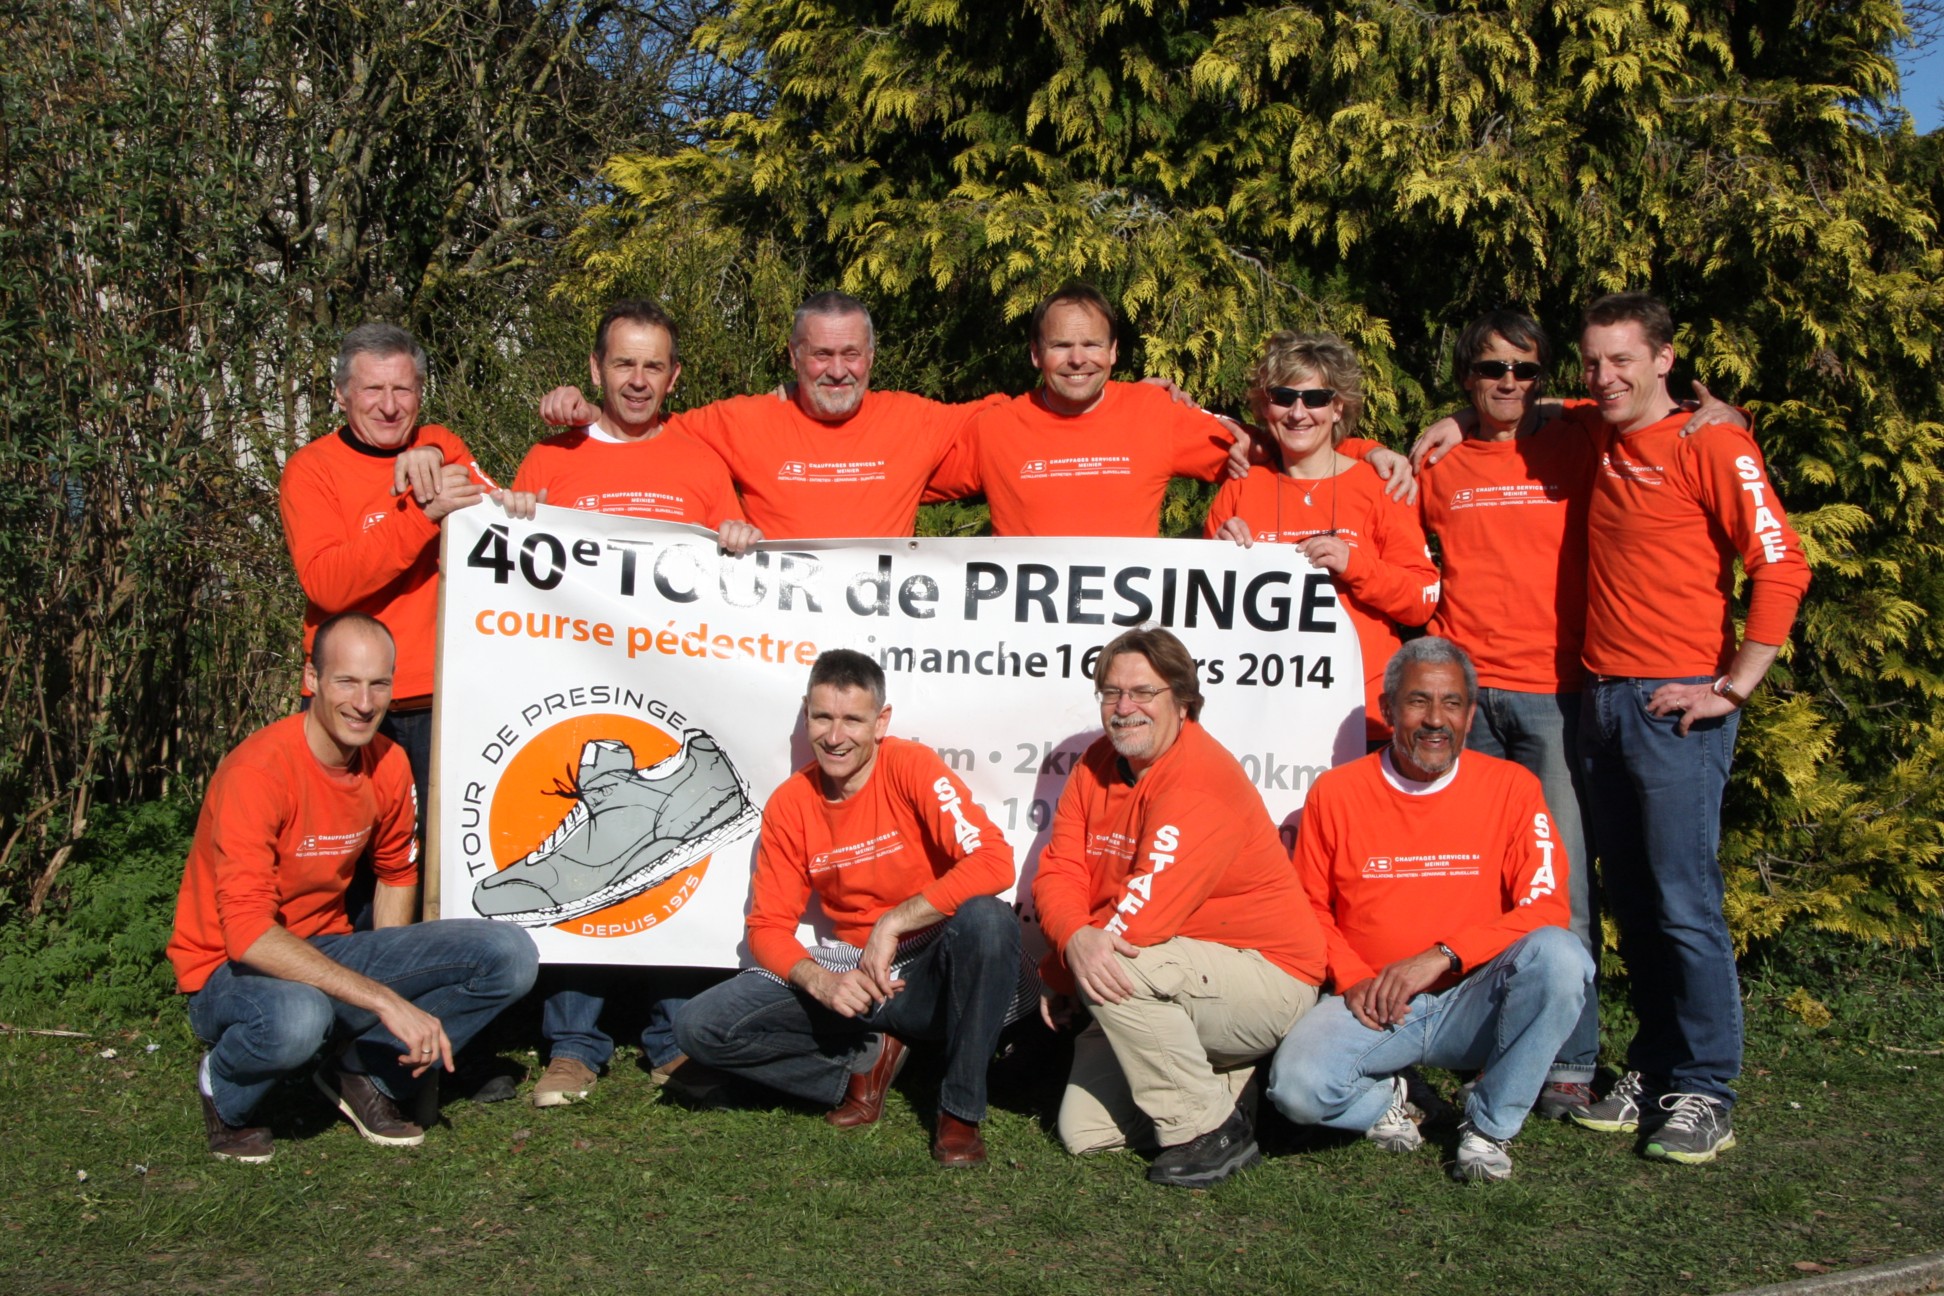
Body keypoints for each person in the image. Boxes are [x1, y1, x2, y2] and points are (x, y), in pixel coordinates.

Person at [1565, 293, 1809, 1164]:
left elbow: (1782, 563)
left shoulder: (1710, 441)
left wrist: (1736, 688)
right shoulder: (1599, 429)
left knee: (1684, 902)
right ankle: (1659, 1066)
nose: (1605, 377)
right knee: (1634, 900)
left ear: (1664, 359)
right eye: (1593, 361)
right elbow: (1527, 406)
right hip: (1602, 700)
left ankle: (1707, 1089)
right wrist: (1448, 423)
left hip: (1676, 708)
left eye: (1623, 360)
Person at [166, 613, 538, 1162]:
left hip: (327, 947)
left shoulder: (387, 762)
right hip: (229, 968)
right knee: (299, 1017)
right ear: (312, 680)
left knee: (509, 953)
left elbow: (395, 872)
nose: (364, 702)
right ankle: (225, 1091)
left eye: (379, 684)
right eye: (346, 681)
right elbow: (247, 934)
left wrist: (396, 991)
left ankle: (367, 1074)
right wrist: (386, 1001)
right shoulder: (259, 771)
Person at [507, 299, 757, 1107]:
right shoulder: (551, 457)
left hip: (673, 698)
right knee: (579, 861)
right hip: (572, 689)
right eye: (624, 364)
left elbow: (733, 563)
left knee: (668, 858)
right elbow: (507, 572)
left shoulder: (696, 460)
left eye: (654, 366)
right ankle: (574, 1046)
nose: (638, 380)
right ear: (595, 370)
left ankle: (672, 1037)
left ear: (674, 376)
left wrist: (741, 538)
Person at [673, 650, 1027, 1166]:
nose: (835, 737)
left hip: (930, 967)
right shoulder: (791, 803)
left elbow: (994, 862)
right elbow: (768, 927)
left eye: (853, 720)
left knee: (989, 921)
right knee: (698, 1026)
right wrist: (819, 980)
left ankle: (960, 1113)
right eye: (823, 717)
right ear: (806, 714)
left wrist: (894, 922)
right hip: (851, 974)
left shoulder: (912, 766)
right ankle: (861, 1066)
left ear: (881, 722)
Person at [1265, 637, 1591, 1182]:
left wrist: (1443, 956)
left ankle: (1488, 1128)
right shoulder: (1336, 792)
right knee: (1296, 1092)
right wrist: (1353, 980)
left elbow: (1546, 906)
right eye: (1418, 702)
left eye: (1452, 704)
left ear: (1470, 713)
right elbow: (1308, 906)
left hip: (1478, 998)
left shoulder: (1512, 787)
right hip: (1374, 1002)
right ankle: (1390, 1097)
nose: (1435, 720)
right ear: (1389, 709)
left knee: (1561, 957)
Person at [1033, 627, 1327, 1188]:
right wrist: (1071, 940)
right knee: (1086, 1133)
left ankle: (1208, 1131)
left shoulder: (1197, 777)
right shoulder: (1094, 763)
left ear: (1183, 700)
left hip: (1266, 975)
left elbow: (1142, 921)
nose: (1124, 708)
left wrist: (1065, 969)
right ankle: (1233, 1086)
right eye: (1111, 693)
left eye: (1143, 692)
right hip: (1180, 972)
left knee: (1113, 965)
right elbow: (1060, 869)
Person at [278, 324, 505, 843]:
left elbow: (501, 519)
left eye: (402, 389)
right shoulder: (311, 470)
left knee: (435, 863)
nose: (388, 405)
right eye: (372, 390)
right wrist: (418, 515)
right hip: (349, 706)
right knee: (337, 860)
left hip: (440, 702)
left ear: (421, 394)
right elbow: (327, 584)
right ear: (341, 396)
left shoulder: (444, 446)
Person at [540, 291, 1001, 539]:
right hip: (776, 649)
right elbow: (644, 428)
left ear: (872, 358)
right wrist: (591, 411)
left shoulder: (915, 420)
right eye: (820, 354)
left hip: (878, 642)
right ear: (793, 357)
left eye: (851, 354)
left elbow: (1011, 420)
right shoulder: (744, 421)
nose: (837, 371)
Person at [1207, 332, 1439, 745]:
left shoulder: (1380, 485)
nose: (1298, 413)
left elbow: (1421, 600)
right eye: (1283, 397)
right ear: (1265, 406)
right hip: (1261, 714)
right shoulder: (1240, 487)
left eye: (1315, 399)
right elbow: (1207, 618)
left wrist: (1355, 565)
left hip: (1362, 714)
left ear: (1337, 407)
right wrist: (1217, 560)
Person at [929, 283, 1246, 536]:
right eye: (1061, 346)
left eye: (1092, 345)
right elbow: (893, 480)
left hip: (1130, 617)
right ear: (1036, 354)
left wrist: (1289, 532)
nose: (1078, 359)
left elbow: (1278, 463)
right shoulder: (996, 427)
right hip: (1028, 617)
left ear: (1113, 351)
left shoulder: (1153, 411)